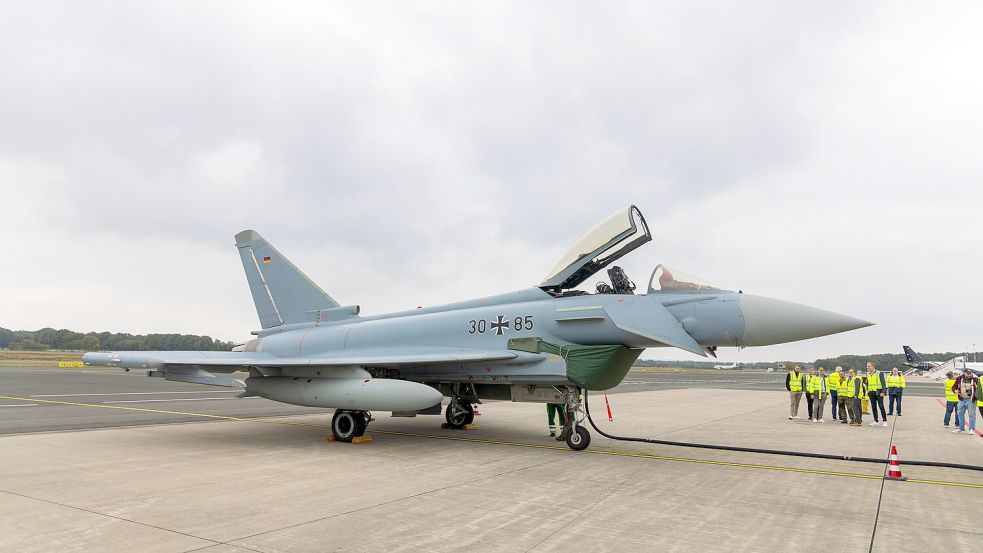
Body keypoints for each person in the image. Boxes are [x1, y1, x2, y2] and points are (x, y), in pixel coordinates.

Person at [951, 368, 979, 434]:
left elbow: (979, 388)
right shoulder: (959, 378)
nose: (969, 375)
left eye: (970, 373)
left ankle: (971, 429)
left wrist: (976, 396)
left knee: (971, 414)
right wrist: (955, 391)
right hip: (962, 399)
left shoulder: (975, 379)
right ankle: (961, 428)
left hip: (971, 400)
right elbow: (954, 386)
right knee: (960, 413)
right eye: (967, 373)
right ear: (964, 373)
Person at [865, 362, 888, 427]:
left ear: (873, 366)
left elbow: (883, 383)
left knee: (881, 406)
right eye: (867, 366)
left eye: (869, 366)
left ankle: (884, 421)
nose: (867, 367)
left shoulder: (879, 373)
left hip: (879, 392)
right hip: (871, 392)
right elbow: (868, 383)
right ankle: (876, 420)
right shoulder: (868, 374)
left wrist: (883, 392)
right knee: (873, 407)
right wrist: (867, 390)